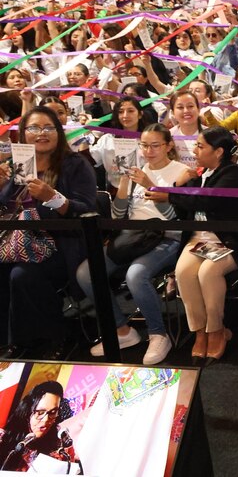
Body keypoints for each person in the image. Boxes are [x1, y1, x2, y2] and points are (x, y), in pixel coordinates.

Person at [76, 124, 189, 365]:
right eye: (144, 145)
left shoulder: (182, 172)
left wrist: (150, 185)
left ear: (169, 145)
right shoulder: (136, 172)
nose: (149, 151)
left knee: (136, 275)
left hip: (166, 236)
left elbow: (173, 217)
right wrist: (125, 185)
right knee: (86, 273)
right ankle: (122, 331)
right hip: (132, 237)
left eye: (155, 145)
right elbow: (118, 216)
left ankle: (158, 333)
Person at [0, 106, 97, 359]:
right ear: (23, 133)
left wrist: (53, 198)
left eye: (48, 128)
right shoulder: (21, 163)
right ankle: (14, 339)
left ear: (58, 132)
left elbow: (87, 210)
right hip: (20, 243)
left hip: (62, 245)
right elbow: (7, 207)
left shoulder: (76, 164)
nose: (40, 133)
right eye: (33, 128)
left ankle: (58, 335)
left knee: (22, 275)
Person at [169, 126, 238, 365]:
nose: (194, 150)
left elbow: (206, 200)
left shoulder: (235, 173)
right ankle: (199, 332)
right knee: (183, 272)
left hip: (231, 241)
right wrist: (180, 184)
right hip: (200, 239)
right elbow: (185, 208)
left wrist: (172, 192)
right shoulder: (200, 173)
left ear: (219, 151)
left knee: (208, 272)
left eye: (200, 146)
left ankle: (216, 330)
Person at [0, 381, 78, 472]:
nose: (45, 420)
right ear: (28, 411)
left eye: (53, 413)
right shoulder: (4, 439)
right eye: (40, 413)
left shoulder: (61, 448)